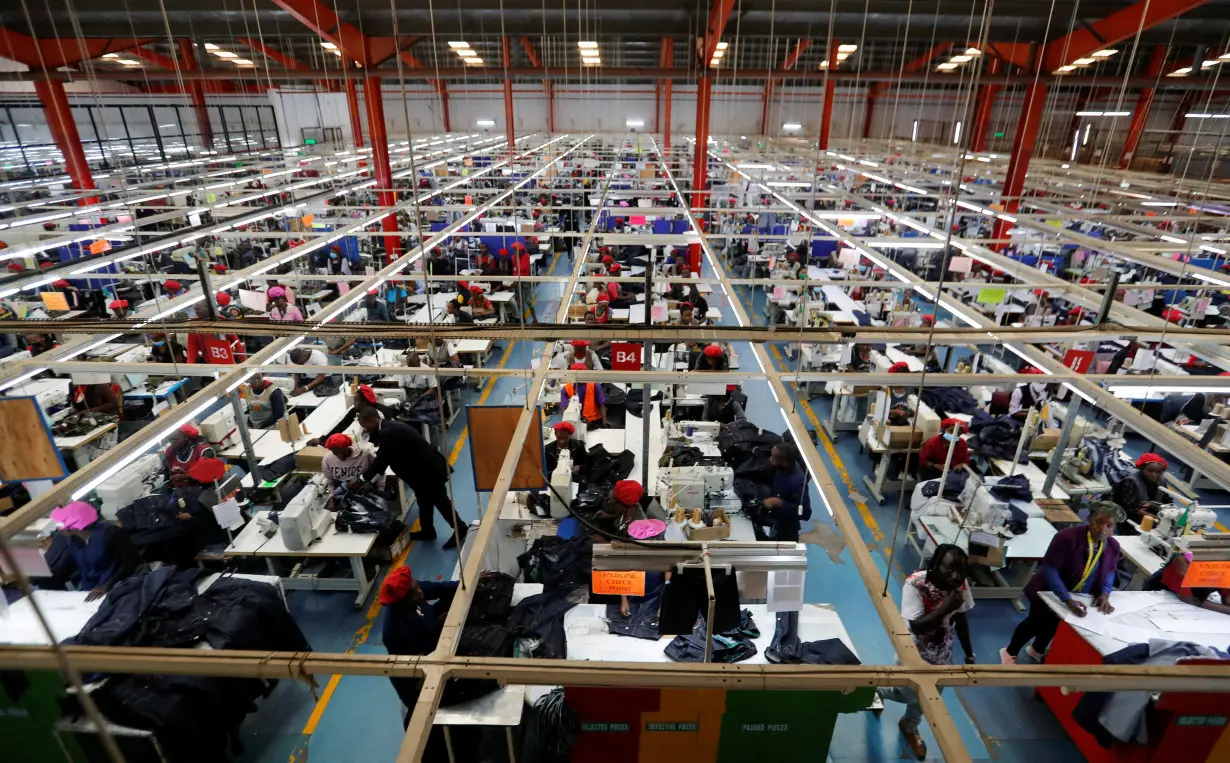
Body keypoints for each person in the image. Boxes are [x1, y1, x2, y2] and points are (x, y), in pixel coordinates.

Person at [880, 544, 975, 760]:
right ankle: (876, 693)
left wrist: (970, 653)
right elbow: (917, 626)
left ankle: (909, 726)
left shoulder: (960, 584)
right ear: (935, 565)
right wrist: (947, 606)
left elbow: (961, 619)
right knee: (901, 693)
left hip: (942, 657)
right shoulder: (915, 584)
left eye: (961, 572)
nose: (956, 577)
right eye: (949, 570)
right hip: (913, 654)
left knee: (927, 699)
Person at [1001, 502, 1122, 665]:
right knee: (1036, 622)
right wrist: (1066, 599)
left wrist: (1105, 594)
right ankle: (1009, 652)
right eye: (1099, 521)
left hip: (1079, 593)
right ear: (1089, 519)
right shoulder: (1066, 537)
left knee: (1055, 624)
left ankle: (1037, 649)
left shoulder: (1113, 546)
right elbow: (1050, 569)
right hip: (1049, 589)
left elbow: (1110, 572)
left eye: (1109, 525)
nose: (1103, 528)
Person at [357, 408, 467, 548]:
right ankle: (427, 530)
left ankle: (460, 529)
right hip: (420, 471)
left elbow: (382, 459)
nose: (365, 429)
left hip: (428, 470)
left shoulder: (388, 432)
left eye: (364, 425)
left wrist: (363, 479)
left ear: (372, 420)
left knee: (441, 501)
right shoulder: (389, 426)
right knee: (424, 500)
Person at [379, 566, 458, 728]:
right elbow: (423, 656)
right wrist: (439, 625)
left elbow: (436, 588)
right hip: (417, 678)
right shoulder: (396, 631)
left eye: (417, 586)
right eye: (416, 592)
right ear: (404, 601)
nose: (421, 592)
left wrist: (464, 584)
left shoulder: (411, 590)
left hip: (428, 629)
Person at [48, 501, 139, 602]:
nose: (58, 529)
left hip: (116, 585)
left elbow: (131, 563)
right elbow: (67, 565)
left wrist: (106, 586)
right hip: (90, 589)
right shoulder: (74, 541)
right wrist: (46, 572)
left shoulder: (112, 533)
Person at [1147, 550, 1230, 615]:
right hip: (1160, 595)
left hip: (1188, 609)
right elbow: (1189, 599)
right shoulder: (1183, 562)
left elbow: (1227, 598)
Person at [314, 384, 400, 442]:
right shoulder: (356, 409)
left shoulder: (379, 413)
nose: (354, 403)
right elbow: (341, 424)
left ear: (365, 402)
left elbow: (381, 435)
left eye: (356, 401)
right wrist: (322, 439)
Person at [763, 443, 811, 542]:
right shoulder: (782, 467)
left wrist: (778, 502)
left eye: (774, 457)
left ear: (783, 461)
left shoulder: (798, 482)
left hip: (787, 530)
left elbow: (806, 513)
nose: (770, 459)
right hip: (775, 521)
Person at [1111, 453, 1167, 527]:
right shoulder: (1131, 482)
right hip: (1127, 519)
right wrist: (1156, 519)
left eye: (1158, 472)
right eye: (1150, 471)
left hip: (1150, 516)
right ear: (1142, 468)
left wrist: (1153, 505)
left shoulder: (1162, 481)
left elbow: (1167, 503)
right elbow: (1131, 509)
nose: (1154, 475)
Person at [560, 362, 607, 429]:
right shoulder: (566, 389)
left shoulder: (594, 385)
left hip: (593, 421)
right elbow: (564, 409)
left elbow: (601, 405)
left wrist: (604, 420)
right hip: (574, 420)